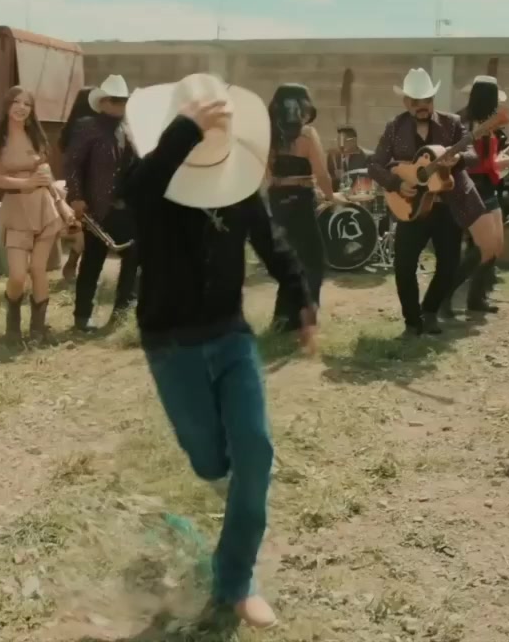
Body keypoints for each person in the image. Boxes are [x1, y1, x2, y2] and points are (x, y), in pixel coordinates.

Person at [123, 73, 316, 628]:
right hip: (171, 346)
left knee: (254, 448)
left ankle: (235, 580)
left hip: (230, 337)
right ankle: (235, 499)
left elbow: (272, 241)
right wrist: (187, 131)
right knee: (210, 460)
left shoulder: (238, 183)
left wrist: (302, 297)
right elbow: (134, 194)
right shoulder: (156, 181)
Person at [368, 68, 491, 336]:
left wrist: (457, 159)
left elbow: (473, 156)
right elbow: (375, 165)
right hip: (410, 207)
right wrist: (396, 183)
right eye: (416, 101)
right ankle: (412, 322)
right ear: (406, 102)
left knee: (449, 266)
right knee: (403, 266)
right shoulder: (394, 127)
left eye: (427, 100)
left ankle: (430, 310)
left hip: (447, 206)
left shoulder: (452, 123)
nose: (422, 105)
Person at [0, 86, 64, 343]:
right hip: (16, 208)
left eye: (27, 104)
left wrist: (62, 204)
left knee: (38, 269)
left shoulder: (37, 137)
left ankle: (38, 331)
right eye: (16, 102)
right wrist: (25, 183)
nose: (21, 108)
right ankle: (12, 327)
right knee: (18, 275)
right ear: (7, 105)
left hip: (44, 207)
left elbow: (47, 175)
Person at [64, 75, 139, 331]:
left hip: (127, 207)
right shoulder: (87, 127)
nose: (120, 105)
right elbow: (72, 164)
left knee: (133, 257)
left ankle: (121, 313)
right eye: (116, 100)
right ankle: (82, 317)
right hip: (97, 207)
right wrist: (76, 197)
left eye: (124, 101)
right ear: (103, 102)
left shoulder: (129, 129)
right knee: (93, 261)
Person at [450, 75, 509, 316]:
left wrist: (499, 160)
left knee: (495, 246)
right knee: (481, 247)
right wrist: (496, 164)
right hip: (472, 187)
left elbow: (489, 156)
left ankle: (476, 298)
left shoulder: (489, 122)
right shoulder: (465, 124)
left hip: (488, 186)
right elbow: (467, 162)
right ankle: (443, 295)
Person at [265, 83, 332, 330]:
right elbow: (321, 173)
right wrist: (331, 196)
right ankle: (306, 314)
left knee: (289, 259)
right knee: (313, 260)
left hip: (277, 199)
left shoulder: (269, 134)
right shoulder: (307, 135)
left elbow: (267, 174)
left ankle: (282, 316)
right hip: (301, 199)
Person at [58, 85, 97, 281]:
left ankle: (73, 266)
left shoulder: (71, 130)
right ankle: (73, 266)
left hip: (77, 187)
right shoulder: (88, 130)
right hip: (86, 188)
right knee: (88, 231)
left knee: (85, 231)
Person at [327, 125, 368, 193]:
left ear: (354, 141)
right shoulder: (333, 156)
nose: (341, 145)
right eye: (339, 140)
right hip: (338, 196)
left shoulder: (365, 157)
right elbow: (331, 179)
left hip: (359, 195)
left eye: (344, 141)